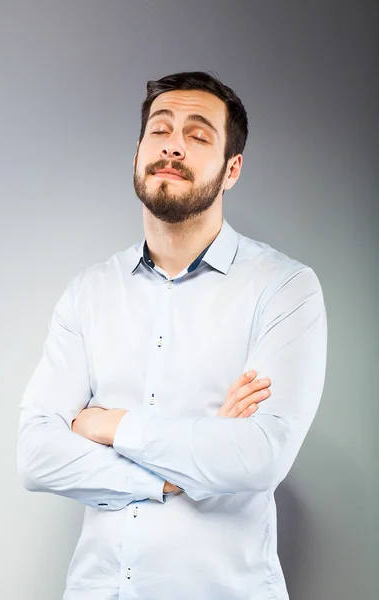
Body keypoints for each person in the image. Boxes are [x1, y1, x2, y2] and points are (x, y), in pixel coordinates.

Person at [17, 71, 328, 600]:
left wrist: (110, 425)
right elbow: (36, 455)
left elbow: (260, 456)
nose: (174, 146)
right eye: (160, 131)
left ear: (232, 169)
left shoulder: (284, 288)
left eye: (199, 134)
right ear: (138, 152)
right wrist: (183, 470)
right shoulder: (88, 292)